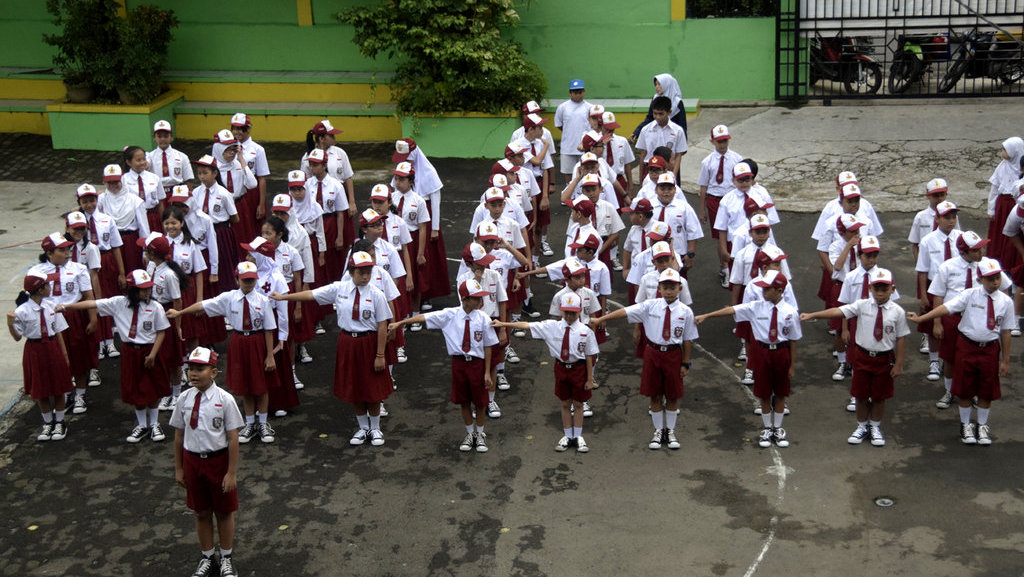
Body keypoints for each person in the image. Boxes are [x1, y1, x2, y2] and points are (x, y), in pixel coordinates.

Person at [272, 251, 393, 446]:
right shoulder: (340, 289)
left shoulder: (377, 294)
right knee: (355, 387)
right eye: (361, 272)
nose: (365, 276)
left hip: (369, 343)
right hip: (348, 342)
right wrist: (285, 297)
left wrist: (380, 354)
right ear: (351, 271)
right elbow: (312, 294)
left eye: (368, 272)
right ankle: (362, 427)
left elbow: (382, 325)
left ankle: (375, 427)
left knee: (372, 387)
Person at [168, 261, 277, 445]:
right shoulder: (228, 298)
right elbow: (203, 305)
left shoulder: (263, 301)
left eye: (251, 280)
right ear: (237, 279)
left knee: (261, 384)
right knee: (246, 385)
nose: (249, 284)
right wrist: (181, 312)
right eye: (245, 280)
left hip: (257, 342)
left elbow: (268, 329)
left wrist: (270, 355)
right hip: (238, 341)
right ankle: (250, 423)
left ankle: (263, 423)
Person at [907, 258, 1013, 445]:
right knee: (964, 388)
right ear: (980, 279)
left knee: (986, 389)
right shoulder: (969, 295)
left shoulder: (1006, 302)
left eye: (997, 277)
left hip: (989, 349)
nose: (995, 282)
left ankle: (982, 425)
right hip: (967, 346)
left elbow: (1006, 331)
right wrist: (922, 318)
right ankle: (965, 425)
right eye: (990, 279)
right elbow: (946, 308)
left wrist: (1005, 360)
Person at [58, 270, 169, 443]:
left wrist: (153, 354)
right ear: (132, 290)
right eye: (143, 289)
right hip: (130, 352)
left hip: (149, 351)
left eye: (149, 289)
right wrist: (66, 307)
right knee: (136, 390)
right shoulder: (118, 303)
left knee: (153, 389)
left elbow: (161, 332)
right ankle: (141, 425)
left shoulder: (156, 307)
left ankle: (154, 424)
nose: (147, 292)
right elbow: (91, 303)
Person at [590, 268, 696, 450]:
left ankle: (669, 431)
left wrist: (685, 362)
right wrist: (601, 319)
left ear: (679, 288)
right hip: (653, 353)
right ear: (660, 289)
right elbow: (625, 312)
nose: (669, 291)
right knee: (654, 394)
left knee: (672, 395)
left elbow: (687, 339)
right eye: (665, 287)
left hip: (673, 354)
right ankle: (657, 430)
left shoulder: (685, 312)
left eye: (673, 287)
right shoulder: (650, 306)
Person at [389, 280, 499, 453]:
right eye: (476, 298)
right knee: (463, 400)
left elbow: (488, 346)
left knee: (480, 401)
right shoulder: (450, 315)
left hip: (477, 364)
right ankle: (470, 433)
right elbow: (425, 318)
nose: (480, 301)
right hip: (459, 363)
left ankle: (481, 434)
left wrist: (487, 372)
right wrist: (400, 323)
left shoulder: (484, 318)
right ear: (465, 298)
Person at [802, 268, 908, 447]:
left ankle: (875, 426)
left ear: (892, 289)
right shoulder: (862, 305)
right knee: (860, 395)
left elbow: (901, 338)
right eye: (877, 289)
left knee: (879, 396)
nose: (880, 293)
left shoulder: (897, 312)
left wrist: (898, 364)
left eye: (885, 289)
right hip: (862, 356)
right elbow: (839, 311)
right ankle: (861, 426)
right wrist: (813, 315)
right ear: (870, 288)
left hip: (883, 358)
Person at [696, 270, 801, 448]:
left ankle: (778, 428)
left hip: (781, 352)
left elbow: (793, 340)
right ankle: (767, 428)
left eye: (767, 289)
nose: (763, 292)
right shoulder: (755, 307)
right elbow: (731, 310)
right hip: (762, 352)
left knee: (781, 392)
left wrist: (791, 365)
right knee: (764, 392)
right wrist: (707, 315)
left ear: (779, 290)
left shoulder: (790, 312)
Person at [170, 346, 244, 577]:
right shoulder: (184, 399)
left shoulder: (225, 400)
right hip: (193, 460)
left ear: (213, 372)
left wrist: (231, 472)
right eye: (190, 368)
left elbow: (233, 438)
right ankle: (207, 556)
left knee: (224, 511)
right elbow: (179, 435)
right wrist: (179, 468)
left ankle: (226, 557)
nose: (193, 373)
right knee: (200, 511)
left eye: (199, 369)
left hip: (218, 460)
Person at [494, 292, 598, 453]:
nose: (569, 316)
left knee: (578, 404)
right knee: (564, 403)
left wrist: (590, 378)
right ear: (561, 311)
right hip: (561, 368)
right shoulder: (552, 326)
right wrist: (504, 324)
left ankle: (578, 435)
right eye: (566, 312)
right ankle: (567, 435)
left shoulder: (586, 331)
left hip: (579, 368)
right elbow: (527, 325)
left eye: (573, 312)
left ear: (579, 312)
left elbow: (590, 356)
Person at [926, 231, 997, 410]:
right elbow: (938, 295)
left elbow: (1002, 289)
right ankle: (950, 391)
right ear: (963, 252)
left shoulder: (987, 266)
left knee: (973, 359)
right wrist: (937, 323)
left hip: (977, 320)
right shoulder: (947, 267)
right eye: (976, 250)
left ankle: (970, 394)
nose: (981, 253)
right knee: (950, 358)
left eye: (981, 248)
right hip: (953, 318)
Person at [30, 232, 97, 417]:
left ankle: (81, 394)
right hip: (49, 319)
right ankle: (66, 392)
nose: (67, 252)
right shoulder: (37, 272)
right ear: (49, 253)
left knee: (79, 356)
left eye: (68, 248)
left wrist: (93, 318)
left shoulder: (79, 268)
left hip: (74, 316)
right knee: (58, 358)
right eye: (62, 249)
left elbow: (88, 294)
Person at [7, 270, 73, 442]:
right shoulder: (22, 311)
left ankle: (60, 422)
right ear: (39, 289)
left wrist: (64, 354)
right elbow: (17, 337)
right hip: (34, 350)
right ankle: (47, 423)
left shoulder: (51, 306)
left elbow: (58, 331)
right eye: (47, 285)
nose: (50, 287)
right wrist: (10, 325)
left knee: (58, 387)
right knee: (40, 389)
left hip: (52, 347)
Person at [390, 140, 449, 308]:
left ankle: (425, 295)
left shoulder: (429, 173)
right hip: (403, 218)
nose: (403, 162)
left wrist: (435, 228)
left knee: (424, 260)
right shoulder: (400, 175)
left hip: (424, 220)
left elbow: (435, 202)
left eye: (406, 158)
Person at [456, 243, 508, 418]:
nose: (485, 266)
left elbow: (502, 301)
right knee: (475, 364)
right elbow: (465, 305)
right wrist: (476, 282)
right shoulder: (463, 280)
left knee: (492, 363)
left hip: (492, 322)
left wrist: (502, 328)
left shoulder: (494, 275)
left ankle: (490, 399)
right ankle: (475, 400)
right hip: (473, 324)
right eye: (480, 264)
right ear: (469, 264)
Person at [76, 183, 126, 359]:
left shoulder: (107, 220)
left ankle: (109, 341)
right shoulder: (77, 224)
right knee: (92, 302)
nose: (89, 205)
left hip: (105, 261)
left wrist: (121, 272)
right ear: (79, 202)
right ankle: (98, 342)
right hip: (85, 266)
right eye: (85, 201)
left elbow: (116, 247)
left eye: (92, 200)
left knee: (107, 300)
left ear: (97, 200)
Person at [915, 200, 962, 382]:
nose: (951, 221)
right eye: (946, 217)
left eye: (953, 217)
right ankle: (934, 361)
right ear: (937, 218)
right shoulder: (928, 241)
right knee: (934, 327)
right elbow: (923, 269)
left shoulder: (961, 238)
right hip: (934, 286)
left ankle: (952, 362)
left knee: (955, 326)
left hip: (956, 288)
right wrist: (923, 295)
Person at [191, 154, 240, 293]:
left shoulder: (223, 193)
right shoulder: (196, 192)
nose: (202, 177)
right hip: (202, 233)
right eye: (199, 173)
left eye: (205, 173)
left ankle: (227, 291)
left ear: (215, 173)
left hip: (220, 232)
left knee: (223, 263)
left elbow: (235, 218)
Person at [305, 148, 349, 284]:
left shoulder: (336, 185)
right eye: (310, 165)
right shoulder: (307, 185)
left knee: (332, 259)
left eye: (315, 165)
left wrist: (340, 236)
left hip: (330, 223)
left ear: (324, 165)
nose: (312, 168)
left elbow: (341, 213)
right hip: (312, 223)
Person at [98, 164, 150, 272]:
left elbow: (144, 228)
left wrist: (145, 251)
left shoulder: (135, 200)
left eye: (116, 182)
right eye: (109, 182)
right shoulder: (101, 200)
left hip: (131, 243)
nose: (113, 185)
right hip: (111, 243)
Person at [231, 113, 271, 250]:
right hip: (234, 191)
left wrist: (261, 203)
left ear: (248, 129)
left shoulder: (257, 149)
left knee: (254, 228)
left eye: (240, 128)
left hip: (251, 192)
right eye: (234, 128)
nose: (237, 132)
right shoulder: (228, 148)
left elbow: (262, 177)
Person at [213, 129, 259, 245]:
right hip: (223, 207)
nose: (231, 153)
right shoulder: (213, 168)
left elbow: (252, 184)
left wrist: (241, 159)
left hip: (239, 206)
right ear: (218, 149)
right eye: (227, 150)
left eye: (233, 149)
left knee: (243, 237)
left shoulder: (238, 164)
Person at [698, 124, 744, 239]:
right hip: (715, 200)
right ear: (712, 141)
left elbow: (743, 181)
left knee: (736, 231)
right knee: (719, 235)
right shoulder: (707, 162)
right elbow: (703, 186)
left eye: (725, 141)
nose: (723, 144)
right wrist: (702, 210)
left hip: (733, 198)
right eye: (719, 141)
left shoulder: (737, 159)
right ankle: (722, 257)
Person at [985, 137, 1024, 265]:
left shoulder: (1021, 168)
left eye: (1005, 150)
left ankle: (1013, 263)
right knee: (1000, 233)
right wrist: (991, 209)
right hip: (1002, 206)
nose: (1003, 152)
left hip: (1016, 205)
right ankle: (998, 261)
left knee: (1014, 233)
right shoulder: (1002, 167)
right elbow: (994, 188)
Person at [634, 96, 687, 181]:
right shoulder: (646, 130)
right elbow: (643, 154)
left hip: (668, 170)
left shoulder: (678, 131)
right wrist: (641, 178)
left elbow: (678, 155)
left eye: (661, 114)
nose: (658, 117)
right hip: (650, 170)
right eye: (655, 113)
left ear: (669, 112)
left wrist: (674, 175)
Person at [631, 73, 688, 143]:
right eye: (656, 84)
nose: (657, 87)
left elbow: (682, 124)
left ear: (667, 84)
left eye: (659, 84)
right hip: (656, 137)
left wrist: (683, 143)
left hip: (672, 138)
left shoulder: (677, 102)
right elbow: (649, 118)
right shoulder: (655, 98)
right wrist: (637, 131)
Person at [121, 145, 165, 235]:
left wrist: (164, 223)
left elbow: (160, 203)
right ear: (128, 162)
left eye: (144, 159)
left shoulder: (154, 178)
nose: (142, 162)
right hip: (135, 219)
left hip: (153, 217)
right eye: (138, 160)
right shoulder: (124, 180)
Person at [554, 78, 591, 183]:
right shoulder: (562, 107)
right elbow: (559, 125)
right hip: (567, 148)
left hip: (584, 148)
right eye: (575, 92)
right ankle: (568, 197)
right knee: (568, 175)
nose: (578, 95)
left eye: (580, 92)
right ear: (570, 93)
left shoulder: (589, 107)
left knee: (585, 174)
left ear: (584, 92)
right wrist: (569, 133)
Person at [148, 119, 194, 195]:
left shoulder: (182, 156)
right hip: (157, 192)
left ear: (171, 136)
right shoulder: (149, 157)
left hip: (177, 192)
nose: (162, 139)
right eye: (159, 136)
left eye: (166, 136)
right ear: (154, 137)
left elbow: (188, 180)